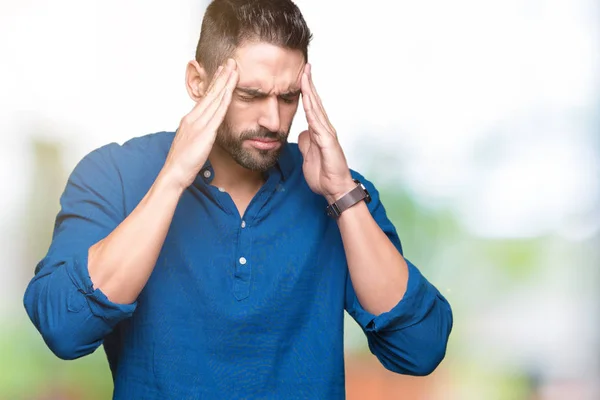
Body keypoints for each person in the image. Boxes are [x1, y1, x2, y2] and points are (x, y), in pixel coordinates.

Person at [23, 0, 453, 398]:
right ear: (197, 82)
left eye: (288, 98)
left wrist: (343, 196)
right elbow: (65, 329)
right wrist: (172, 179)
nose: (272, 119)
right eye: (250, 95)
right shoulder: (114, 174)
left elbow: (420, 347)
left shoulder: (339, 192)